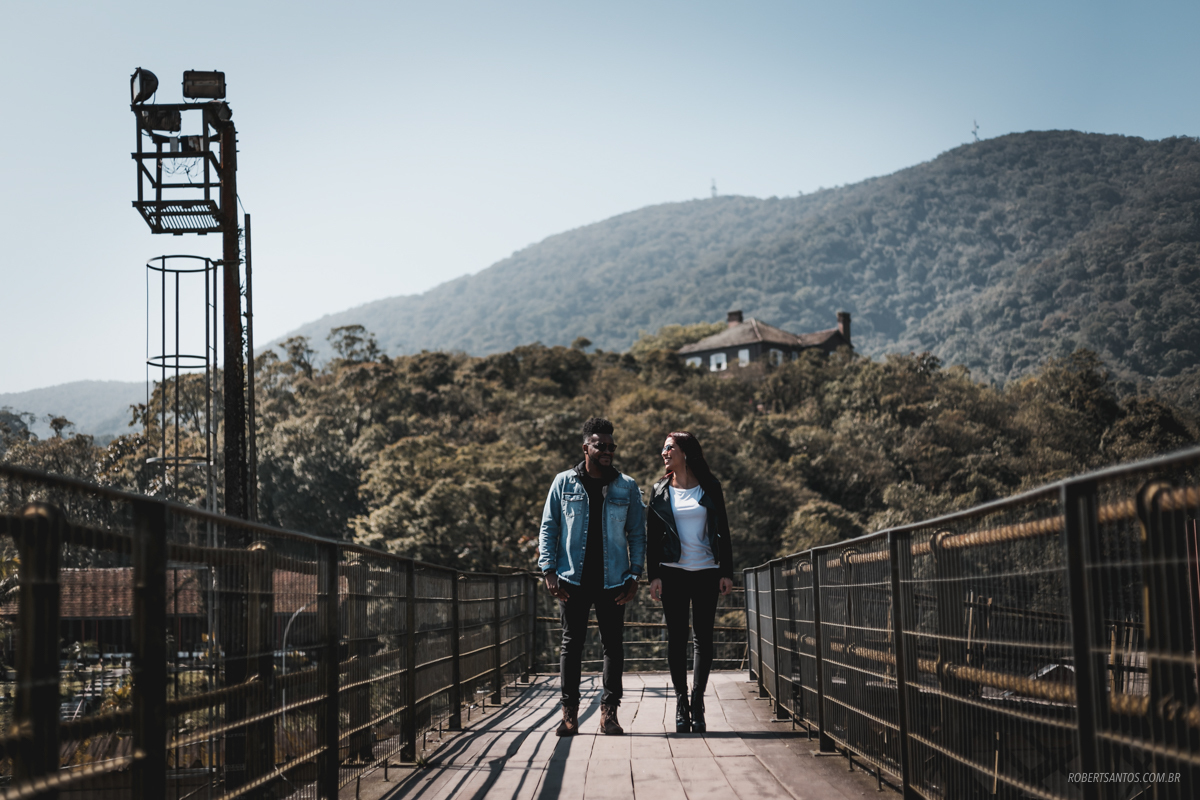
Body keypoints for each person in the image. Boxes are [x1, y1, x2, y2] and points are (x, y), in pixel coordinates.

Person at [538, 417, 646, 737]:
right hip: (572, 579)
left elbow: (637, 534)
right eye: (601, 446)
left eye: (612, 446)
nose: (608, 451)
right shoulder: (563, 482)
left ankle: (609, 713)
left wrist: (635, 575)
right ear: (586, 447)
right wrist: (548, 570)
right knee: (571, 645)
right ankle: (569, 714)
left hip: (614, 580)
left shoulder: (626, 486)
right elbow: (549, 527)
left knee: (613, 646)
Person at [647, 430, 734, 733]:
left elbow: (723, 530)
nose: (664, 453)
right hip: (672, 572)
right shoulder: (659, 490)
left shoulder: (710, 487)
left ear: (684, 452)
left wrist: (726, 571)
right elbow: (653, 538)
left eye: (669, 448)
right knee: (676, 639)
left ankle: (697, 701)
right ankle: (681, 703)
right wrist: (653, 575)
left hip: (707, 570)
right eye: (664, 448)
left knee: (703, 639)